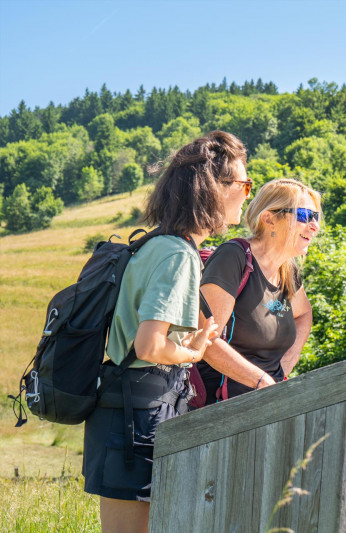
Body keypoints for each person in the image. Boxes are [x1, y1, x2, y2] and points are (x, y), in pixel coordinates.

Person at [82, 130, 249, 533]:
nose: (247, 193)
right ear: (214, 188)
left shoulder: (157, 244)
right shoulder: (178, 254)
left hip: (132, 410)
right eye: (244, 184)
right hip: (137, 417)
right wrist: (191, 353)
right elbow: (149, 344)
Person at [196, 178, 320, 402]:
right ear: (269, 219)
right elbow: (205, 339)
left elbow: (304, 315)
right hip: (218, 410)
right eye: (304, 215)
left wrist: (284, 367)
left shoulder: (287, 270)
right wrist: (262, 381)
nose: (314, 226)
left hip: (266, 405)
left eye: (315, 217)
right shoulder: (233, 257)